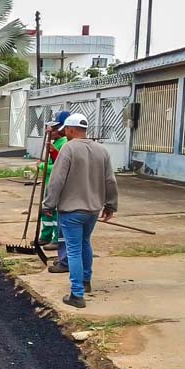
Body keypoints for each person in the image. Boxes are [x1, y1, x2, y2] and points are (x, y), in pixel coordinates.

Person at [43, 113, 118, 309]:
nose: (65, 133)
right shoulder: (101, 150)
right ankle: (86, 281)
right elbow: (110, 180)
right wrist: (110, 204)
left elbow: (56, 180)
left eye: (66, 130)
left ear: (70, 129)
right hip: (92, 209)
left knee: (73, 249)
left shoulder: (69, 149)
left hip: (71, 210)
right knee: (85, 243)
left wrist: (49, 204)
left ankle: (77, 294)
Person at [38, 111, 71, 250]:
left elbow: (60, 167)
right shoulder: (57, 142)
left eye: (55, 128)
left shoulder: (65, 143)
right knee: (46, 213)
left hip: (57, 184)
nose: (50, 131)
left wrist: (41, 166)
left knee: (55, 214)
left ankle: (56, 239)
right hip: (49, 184)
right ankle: (45, 236)